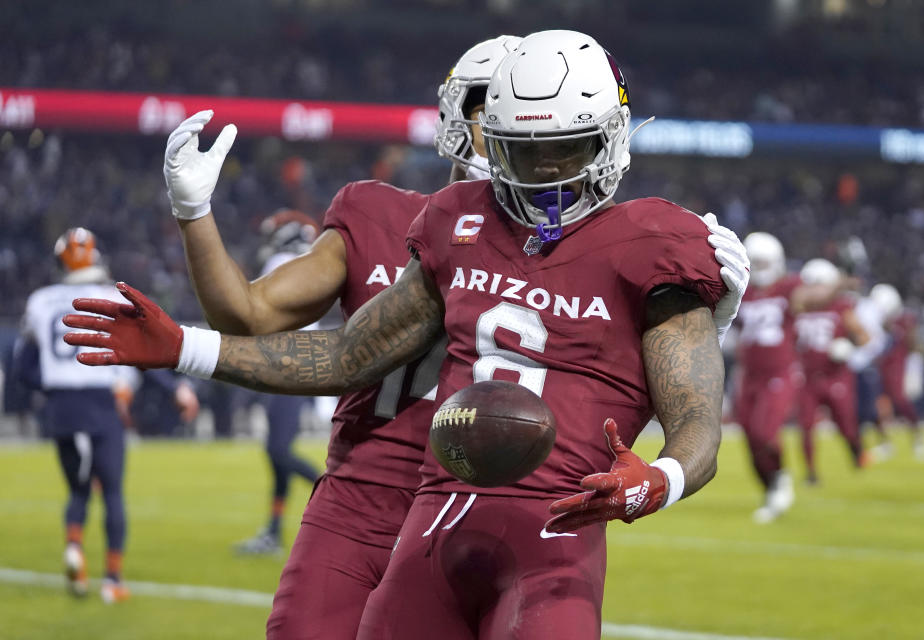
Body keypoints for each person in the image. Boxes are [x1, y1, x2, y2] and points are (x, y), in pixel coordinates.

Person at [64, 30, 749, 639]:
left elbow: (696, 422)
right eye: (521, 150)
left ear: (610, 135)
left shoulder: (658, 241)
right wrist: (186, 346)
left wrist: (657, 480)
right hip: (430, 523)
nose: (546, 173)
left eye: (564, 149)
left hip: (553, 534)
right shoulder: (456, 221)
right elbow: (346, 354)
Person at [13, 228, 195, 603]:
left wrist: (52, 388)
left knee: (78, 490)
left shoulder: (40, 300)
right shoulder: (112, 295)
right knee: (111, 492)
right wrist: (175, 387)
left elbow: (24, 369)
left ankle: (75, 548)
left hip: (61, 409)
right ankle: (112, 579)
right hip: (101, 405)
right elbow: (143, 351)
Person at [233, 209, 324, 555]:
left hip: (287, 365)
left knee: (277, 451)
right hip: (304, 363)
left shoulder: (284, 261)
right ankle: (272, 531)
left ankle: (331, 490)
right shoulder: (314, 262)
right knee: (277, 456)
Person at [735, 233, 841, 523]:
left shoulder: (788, 287)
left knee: (764, 432)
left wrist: (841, 280)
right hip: (749, 375)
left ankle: (780, 479)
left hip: (779, 372)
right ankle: (771, 488)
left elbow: (814, 297)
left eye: (762, 261)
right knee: (750, 438)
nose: (758, 267)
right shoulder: (743, 291)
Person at [794, 258, 870, 484]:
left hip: (835, 375)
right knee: (806, 425)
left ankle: (856, 451)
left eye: (820, 284)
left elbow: (864, 337)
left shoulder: (841, 306)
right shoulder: (797, 306)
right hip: (807, 377)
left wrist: (849, 345)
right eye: (811, 285)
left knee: (846, 424)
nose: (815, 290)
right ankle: (811, 472)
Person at [870, 283, 924, 461]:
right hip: (879, 368)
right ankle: (885, 443)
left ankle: (917, 438)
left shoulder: (904, 320)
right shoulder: (875, 319)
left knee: (902, 404)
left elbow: (912, 344)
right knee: (876, 407)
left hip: (897, 369)